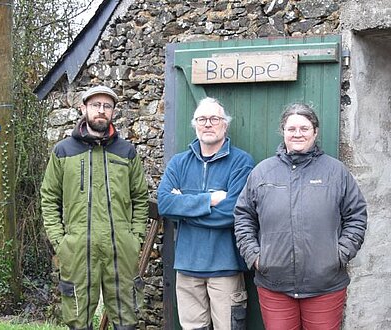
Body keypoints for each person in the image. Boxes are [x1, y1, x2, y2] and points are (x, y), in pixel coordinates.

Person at [234, 103, 367, 330]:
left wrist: (339, 255)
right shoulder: (262, 172)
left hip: (325, 285)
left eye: (304, 128)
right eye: (291, 128)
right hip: (274, 283)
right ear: (283, 132)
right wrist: (255, 256)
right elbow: (243, 216)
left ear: (315, 132)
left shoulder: (336, 172)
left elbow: (356, 216)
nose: (298, 134)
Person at [41, 85, 149, 330]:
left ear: (113, 111)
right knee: (78, 318)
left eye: (107, 106)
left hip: (120, 248)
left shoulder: (126, 152)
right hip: (78, 248)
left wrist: (135, 238)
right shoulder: (63, 151)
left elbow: (140, 198)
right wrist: (61, 241)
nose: (101, 111)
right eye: (95, 105)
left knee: (126, 316)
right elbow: (49, 197)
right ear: (83, 108)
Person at [157, 97, 255, 330]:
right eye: (202, 119)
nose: (208, 124)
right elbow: (165, 204)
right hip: (187, 267)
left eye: (214, 118)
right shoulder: (179, 163)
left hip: (225, 267)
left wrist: (184, 207)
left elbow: (232, 213)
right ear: (195, 124)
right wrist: (210, 199)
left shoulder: (241, 162)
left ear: (225, 124)